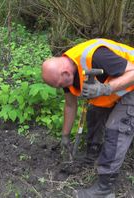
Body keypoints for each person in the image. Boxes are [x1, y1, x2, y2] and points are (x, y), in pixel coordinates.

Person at [41, 38, 134, 197]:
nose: (62, 88)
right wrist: (65, 136)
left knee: (116, 127)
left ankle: (105, 188)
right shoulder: (67, 72)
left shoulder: (98, 56)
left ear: (65, 73)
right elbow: (70, 105)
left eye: (59, 85)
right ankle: (92, 154)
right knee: (94, 113)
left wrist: (105, 89)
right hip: (119, 88)